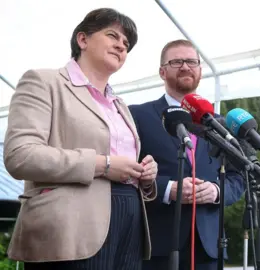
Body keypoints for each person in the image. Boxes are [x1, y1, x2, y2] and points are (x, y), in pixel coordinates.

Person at [3, 8, 158, 270]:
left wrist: (144, 174)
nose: (121, 45)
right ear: (82, 40)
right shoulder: (43, 81)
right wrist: (103, 164)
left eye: (126, 44)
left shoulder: (120, 104)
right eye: (112, 35)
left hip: (129, 222)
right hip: (69, 228)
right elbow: (21, 155)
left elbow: (123, 165)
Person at [129, 39, 245, 270]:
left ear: (201, 70)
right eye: (176, 61)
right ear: (162, 72)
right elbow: (127, 173)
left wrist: (216, 191)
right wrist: (167, 189)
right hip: (156, 246)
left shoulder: (219, 124)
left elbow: (239, 177)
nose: (185, 67)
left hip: (209, 247)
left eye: (192, 61)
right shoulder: (137, 115)